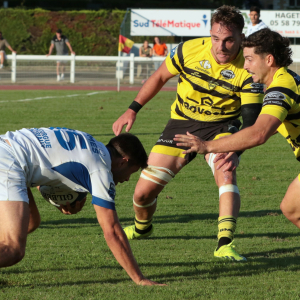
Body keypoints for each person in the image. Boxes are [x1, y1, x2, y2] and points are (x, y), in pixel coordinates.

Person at [113, 5, 264, 262]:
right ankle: (142, 228)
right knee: (142, 193)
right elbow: (160, 76)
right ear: (210, 34)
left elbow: (251, 119)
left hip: (221, 127)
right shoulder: (188, 50)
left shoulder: (250, 65)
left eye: (229, 40)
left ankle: (224, 243)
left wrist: (237, 150)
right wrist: (132, 109)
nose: (221, 47)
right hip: (181, 124)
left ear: (241, 37)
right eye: (216, 39)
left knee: (226, 171)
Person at [174, 28, 300, 238]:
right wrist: (235, 149)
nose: (245, 65)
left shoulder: (280, 88)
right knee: (291, 209)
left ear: (269, 60)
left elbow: (259, 133)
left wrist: (207, 146)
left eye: (250, 59)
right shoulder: (282, 81)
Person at [0, 127, 165, 286]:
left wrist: (58, 202)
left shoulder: (88, 141)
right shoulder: (99, 170)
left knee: (31, 222)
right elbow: (112, 230)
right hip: (9, 162)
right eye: (132, 172)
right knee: (13, 249)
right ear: (123, 162)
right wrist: (139, 278)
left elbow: (43, 163)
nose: (127, 179)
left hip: (8, 148)